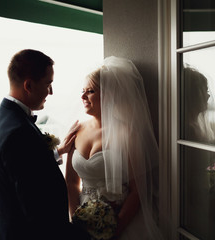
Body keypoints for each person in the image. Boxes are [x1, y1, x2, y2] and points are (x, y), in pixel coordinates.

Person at [0, 49, 89, 240]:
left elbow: (22, 170)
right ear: (29, 85)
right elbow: (37, 208)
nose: (51, 91)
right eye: (48, 84)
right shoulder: (19, 132)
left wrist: (57, 153)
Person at [65, 56, 164, 239]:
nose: (83, 96)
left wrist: (114, 229)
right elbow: (71, 182)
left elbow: (138, 190)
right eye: (82, 91)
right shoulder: (77, 130)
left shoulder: (127, 133)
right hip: (82, 221)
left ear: (109, 95)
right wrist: (75, 219)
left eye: (90, 91)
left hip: (120, 221)